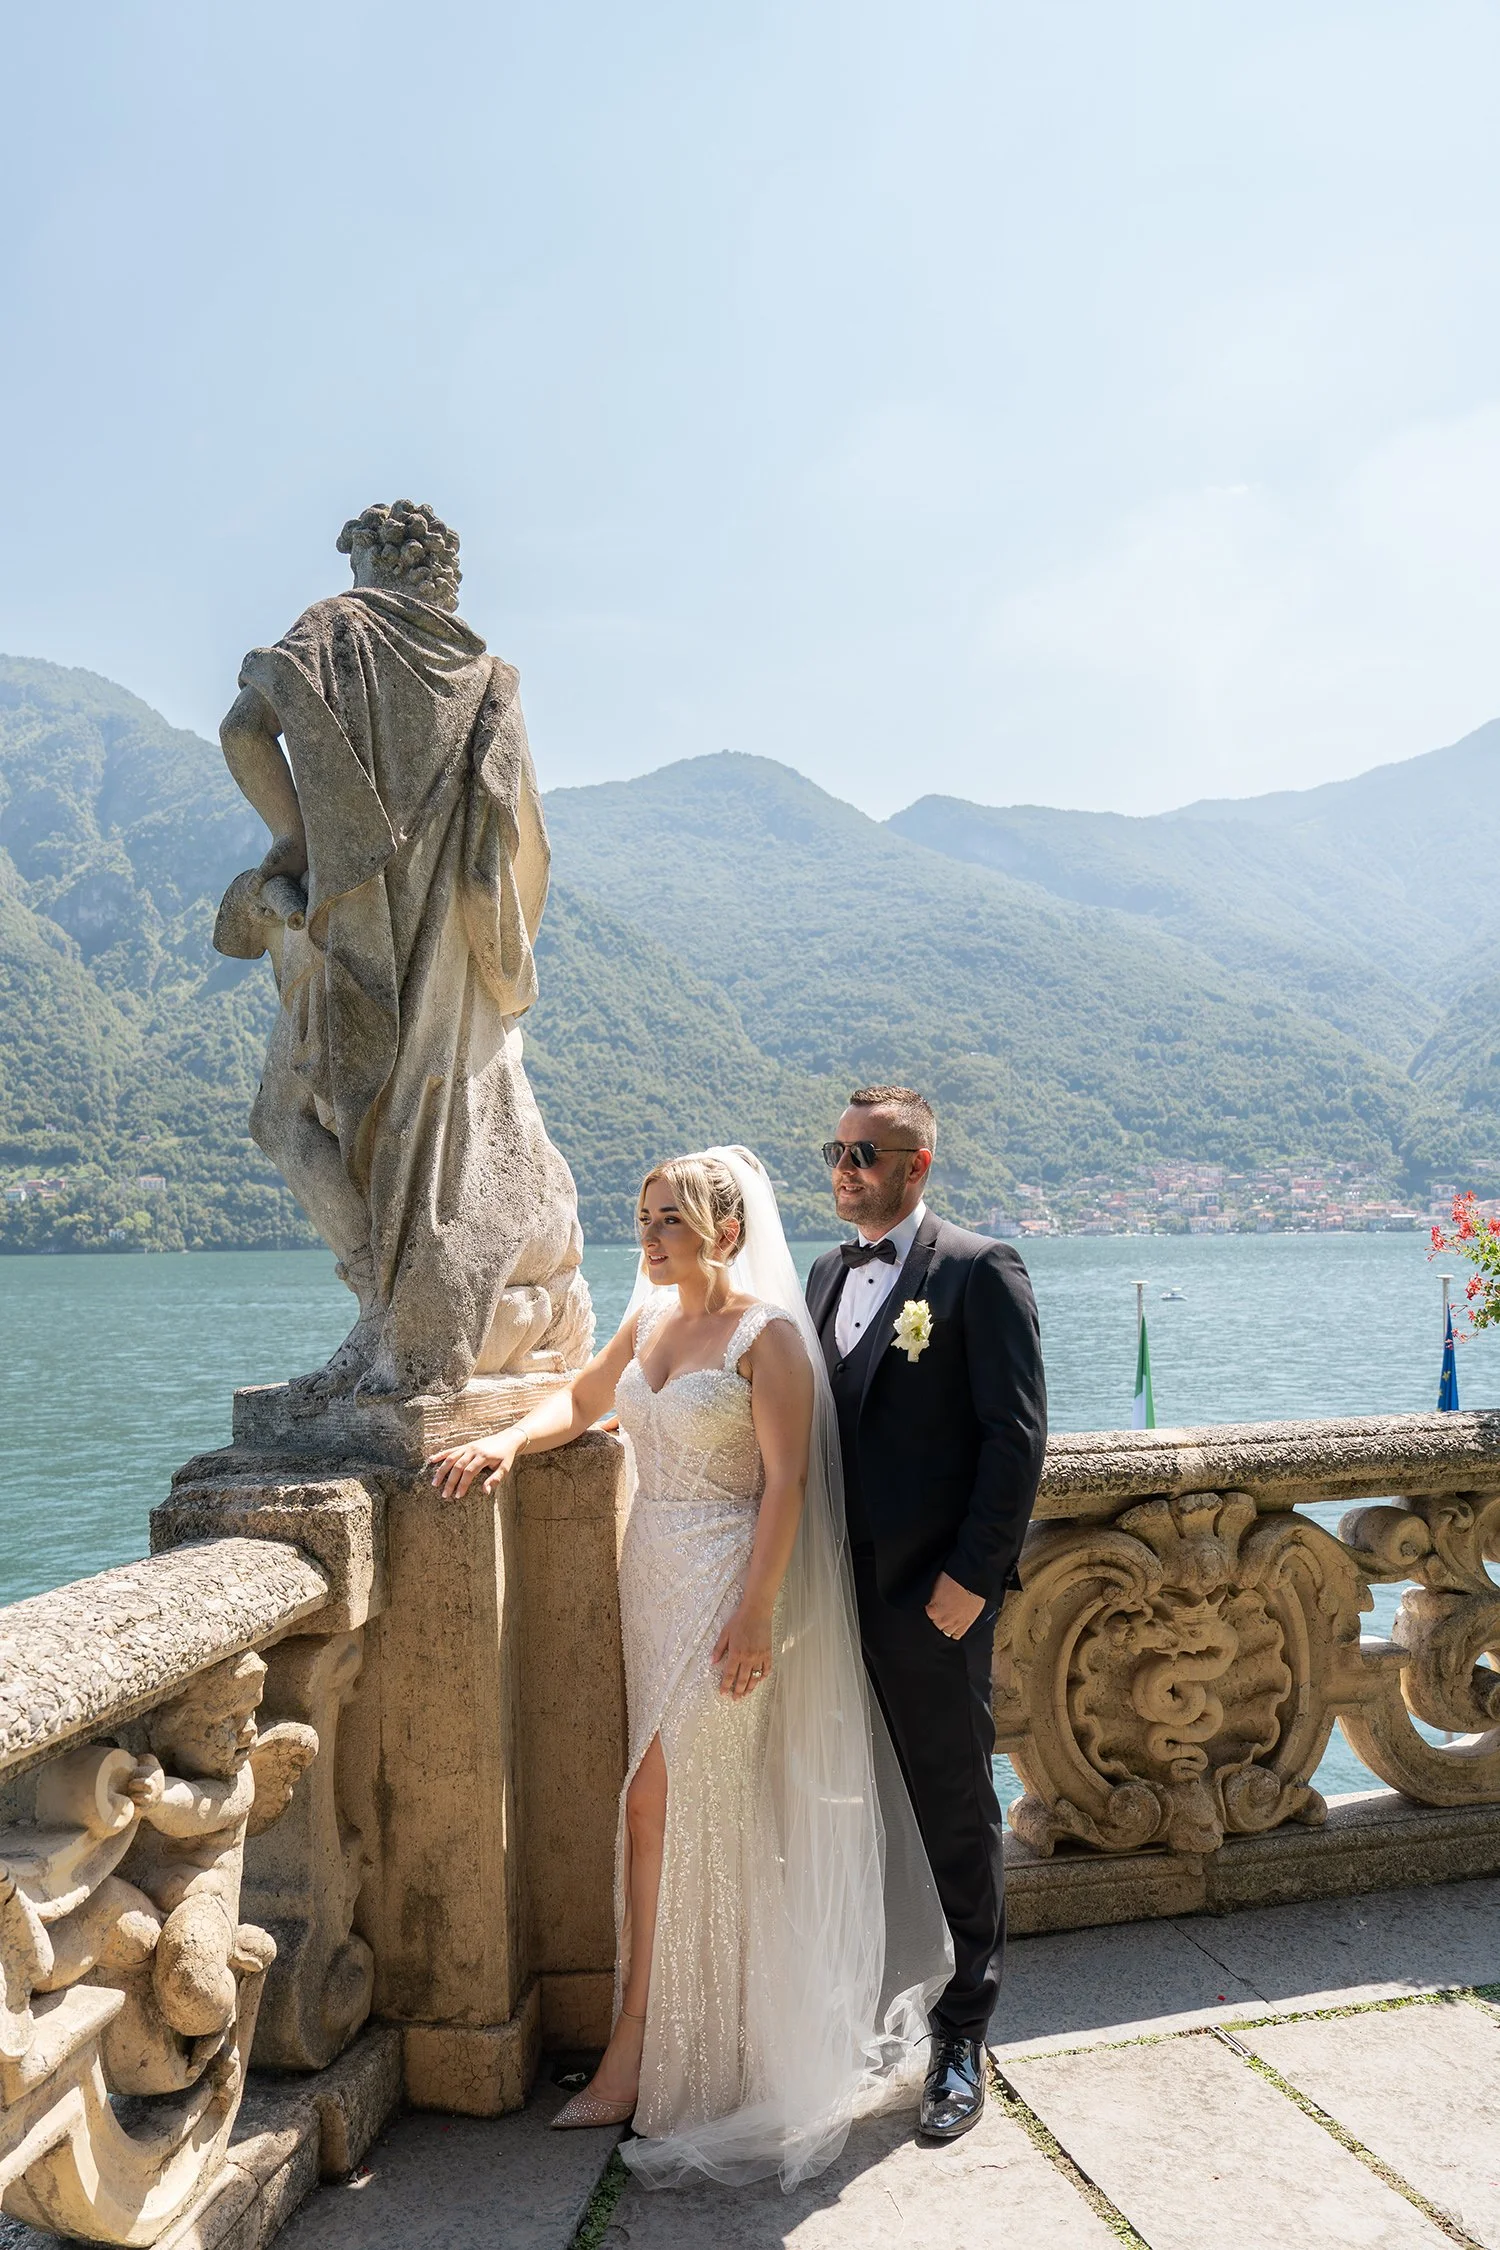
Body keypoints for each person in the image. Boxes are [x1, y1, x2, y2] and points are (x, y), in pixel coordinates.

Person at [425, 1147, 950, 2188]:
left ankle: (658, 2058)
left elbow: (790, 1486)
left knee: (680, 1809)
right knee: (652, 1811)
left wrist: (755, 1615)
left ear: (726, 1229)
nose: (651, 1234)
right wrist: (503, 1446)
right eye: (645, 1215)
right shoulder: (653, 1322)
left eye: (670, 1218)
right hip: (649, 1580)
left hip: (726, 1591)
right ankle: (674, 2041)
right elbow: (580, 1402)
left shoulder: (768, 1341)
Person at [806, 1087, 1047, 2141]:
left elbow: (1016, 1439)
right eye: (836, 1151)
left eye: (868, 1152)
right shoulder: (821, 1275)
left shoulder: (977, 1269)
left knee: (954, 1811)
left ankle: (962, 2035)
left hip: (933, 1603)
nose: (847, 1166)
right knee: (851, 1808)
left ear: (919, 1164)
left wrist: (972, 1581)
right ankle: (875, 2006)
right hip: (826, 1602)